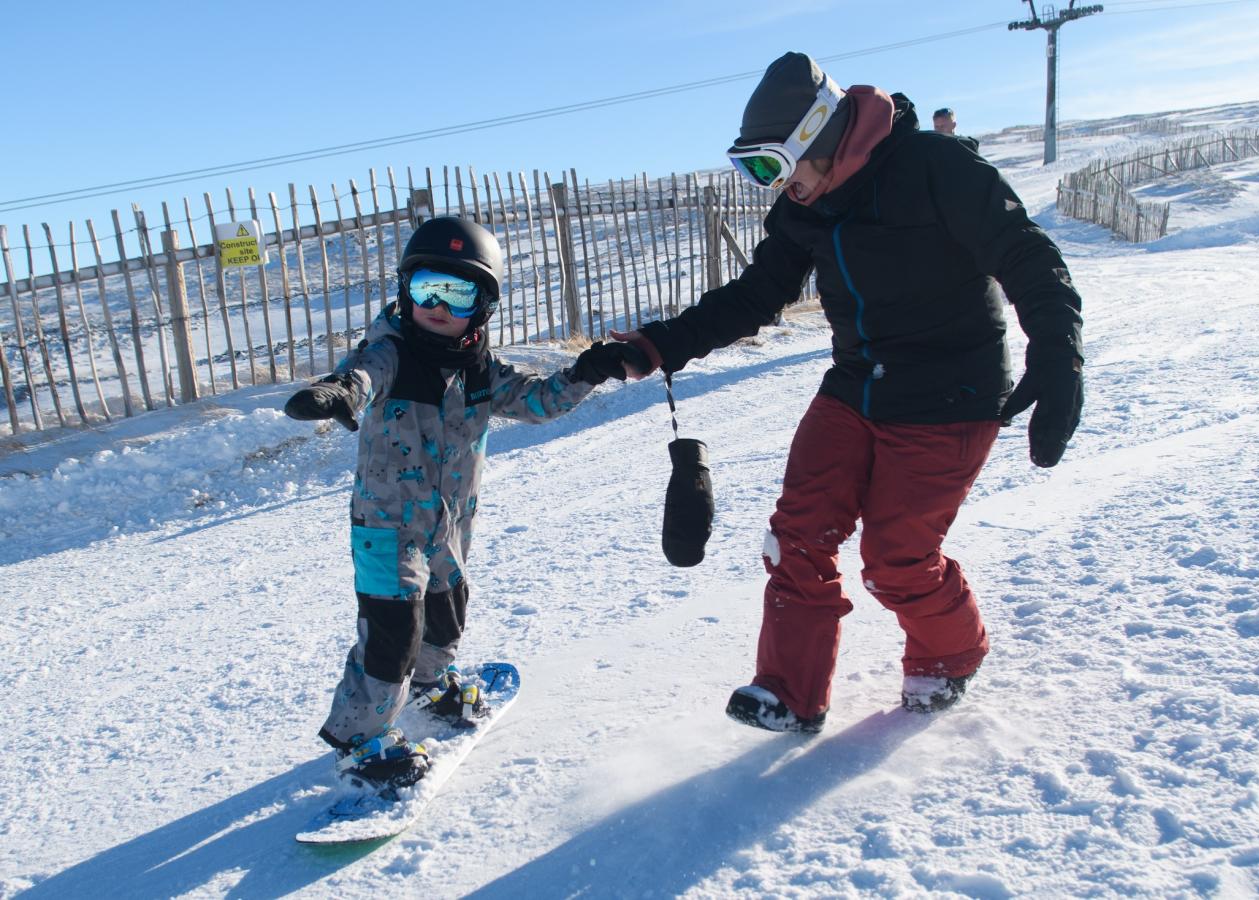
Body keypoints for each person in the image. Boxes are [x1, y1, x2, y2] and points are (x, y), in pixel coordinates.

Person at [609, 52, 1084, 733]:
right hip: (857, 383)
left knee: (897, 560)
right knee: (798, 534)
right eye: (753, 171)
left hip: (952, 390)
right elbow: (756, 294)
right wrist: (655, 347)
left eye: (771, 166)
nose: (772, 184)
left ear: (816, 135)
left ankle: (951, 655)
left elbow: (1025, 252)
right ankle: (789, 692)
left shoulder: (934, 168)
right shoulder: (809, 203)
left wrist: (1058, 349)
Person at [284, 216, 630, 787]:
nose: (439, 306)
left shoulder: (479, 369)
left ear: (483, 307)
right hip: (387, 525)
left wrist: (586, 372)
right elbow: (362, 376)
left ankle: (429, 686)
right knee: (392, 631)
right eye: (427, 289)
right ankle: (357, 739)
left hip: (448, 523)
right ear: (404, 290)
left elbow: (539, 402)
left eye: (458, 293)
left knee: (445, 614)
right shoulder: (392, 354)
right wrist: (339, 392)